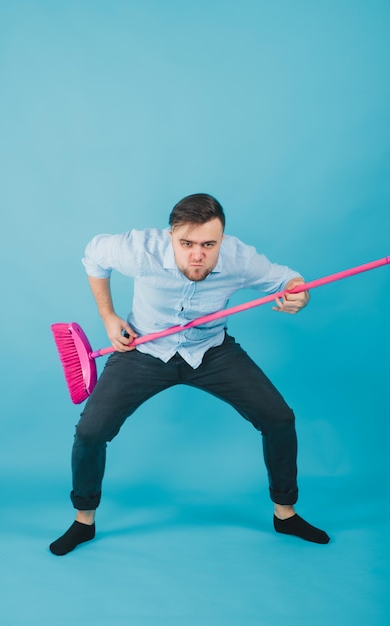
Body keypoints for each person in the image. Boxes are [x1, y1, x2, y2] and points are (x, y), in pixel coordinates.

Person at [50, 193, 330, 556]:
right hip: (144, 350)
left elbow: (288, 281)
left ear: (222, 241)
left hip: (211, 351)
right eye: (187, 244)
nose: (197, 255)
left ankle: (285, 513)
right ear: (170, 237)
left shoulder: (239, 258)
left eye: (208, 244)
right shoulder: (139, 250)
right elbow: (93, 255)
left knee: (279, 418)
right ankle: (83, 521)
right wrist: (108, 316)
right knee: (90, 431)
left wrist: (298, 294)